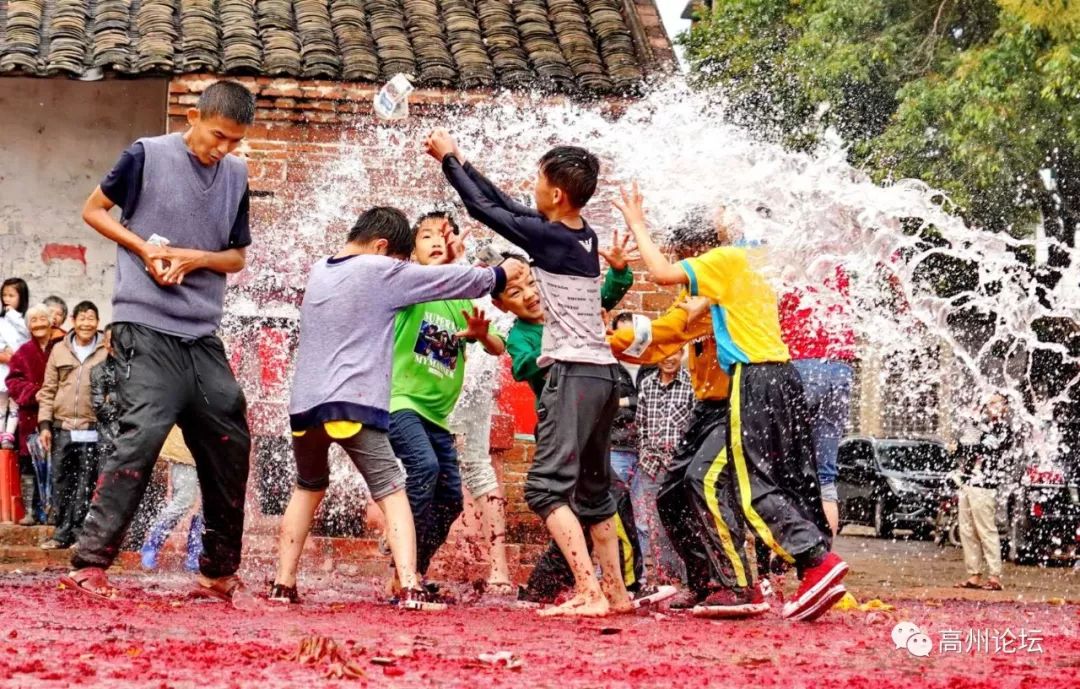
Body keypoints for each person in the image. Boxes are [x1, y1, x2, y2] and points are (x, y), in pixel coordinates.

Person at [270, 206, 525, 609]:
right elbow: (464, 280)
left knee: (308, 487)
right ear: (383, 247)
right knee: (393, 490)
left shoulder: (321, 269)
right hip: (354, 403)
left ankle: (283, 584)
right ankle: (409, 585)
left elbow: (445, 285)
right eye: (400, 259)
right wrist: (502, 272)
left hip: (305, 405)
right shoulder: (380, 269)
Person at [616, 185, 848, 621]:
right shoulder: (752, 261)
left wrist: (637, 225)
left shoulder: (726, 260)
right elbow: (677, 322)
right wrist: (616, 342)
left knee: (746, 486)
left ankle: (806, 565)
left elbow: (664, 274)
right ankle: (716, 580)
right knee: (678, 490)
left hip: (754, 382)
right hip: (766, 379)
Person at [64, 80, 257, 602]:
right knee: (142, 433)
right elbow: (94, 211)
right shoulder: (146, 154)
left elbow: (237, 256)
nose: (223, 150)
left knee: (230, 443)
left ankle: (217, 574)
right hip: (144, 323)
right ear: (194, 116)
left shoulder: (236, 175)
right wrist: (143, 250)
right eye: (217, 136)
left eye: (234, 142)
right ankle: (90, 563)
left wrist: (196, 258)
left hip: (201, 332)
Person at [428, 130, 633, 616]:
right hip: (605, 375)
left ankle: (589, 591)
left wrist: (447, 162)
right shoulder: (581, 234)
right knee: (593, 490)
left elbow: (483, 211)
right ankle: (618, 593)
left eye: (539, 182)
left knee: (544, 489)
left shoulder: (548, 236)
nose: (532, 189)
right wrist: (460, 160)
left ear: (557, 194)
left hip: (574, 374)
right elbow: (502, 203)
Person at [492, 255, 668, 609]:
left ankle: (594, 590)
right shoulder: (522, 334)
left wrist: (619, 270)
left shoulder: (568, 308)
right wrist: (554, 352)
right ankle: (612, 591)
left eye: (532, 283)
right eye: (515, 291)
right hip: (564, 420)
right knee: (590, 498)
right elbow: (523, 365)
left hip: (584, 413)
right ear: (500, 304)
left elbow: (608, 293)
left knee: (561, 494)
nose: (529, 294)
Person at [387, 211, 506, 594]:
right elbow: (425, 279)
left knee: (451, 498)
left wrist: (480, 335)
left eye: (445, 235)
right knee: (424, 469)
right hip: (400, 403)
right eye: (427, 236)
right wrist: (455, 264)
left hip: (437, 416)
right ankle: (401, 573)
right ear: (411, 249)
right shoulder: (407, 288)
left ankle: (413, 572)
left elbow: (497, 346)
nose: (438, 240)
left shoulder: (458, 300)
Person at [779, 271, 856, 537]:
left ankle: (791, 546)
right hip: (840, 367)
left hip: (800, 363)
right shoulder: (839, 249)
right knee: (825, 475)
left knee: (783, 468)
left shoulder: (787, 256)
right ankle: (825, 559)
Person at [37, 301, 108, 550]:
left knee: (87, 480)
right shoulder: (59, 350)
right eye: (82, 318)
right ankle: (61, 533)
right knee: (61, 480)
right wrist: (45, 425)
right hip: (63, 426)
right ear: (73, 322)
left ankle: (80, 534)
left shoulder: (106, 350)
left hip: (92, 427)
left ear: (97, 322)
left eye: (91, 318)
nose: (87, 323)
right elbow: (47, 391)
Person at [633, 348, 696, 585]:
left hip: (678, 467)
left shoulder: (690, 384)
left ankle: (685, 579)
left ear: (681, 354)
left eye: (675, 352)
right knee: (652, 525)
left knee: (679, 522)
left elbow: (694, 425)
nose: (669, 358)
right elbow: (641, 423)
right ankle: (664, 579)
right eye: (664, 352)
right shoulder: (648, 384)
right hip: (650, 465)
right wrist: (645, 452)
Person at [4, 304, 58, 526]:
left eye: (42, 319)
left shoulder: (61, 347)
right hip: (30, 417)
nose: (38, 324)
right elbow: (12, 382)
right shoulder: (23, 352)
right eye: (33, 320)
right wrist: (35, 393)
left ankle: (54, 510)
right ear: (28, 326)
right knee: (31, 466)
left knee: (56, 465)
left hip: (57, 414)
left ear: (51, 321)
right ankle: (32, 512)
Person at [955, 393, 1012, 592]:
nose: (991, 406)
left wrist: (974, 434)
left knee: (986, 530)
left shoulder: (1002, 429)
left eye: (996, 402)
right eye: (989, 402)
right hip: (968, 482)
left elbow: (991, 447)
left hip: (985, 485)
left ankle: (994, 576)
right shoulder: (979, 425)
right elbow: (963, 448)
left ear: (1005, 407)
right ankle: (974, 574)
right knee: (967, 530)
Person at [139, 427, 203, 572]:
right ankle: (151, 545)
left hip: (214, 447)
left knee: (210, 505)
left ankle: (196, 554)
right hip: (184, 447)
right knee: (184, 500)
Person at [1, 278, 30, 451]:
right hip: (2, 368)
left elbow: (26, 333)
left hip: (19, 368)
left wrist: (12, 314)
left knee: (15, 403)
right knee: (1, 403)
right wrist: (3, 349)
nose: (6, 299)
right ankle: (1, 432)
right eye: (4, 295)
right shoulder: (1, 321)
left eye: (11, 295)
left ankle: (9, 435)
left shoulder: (24, 319)